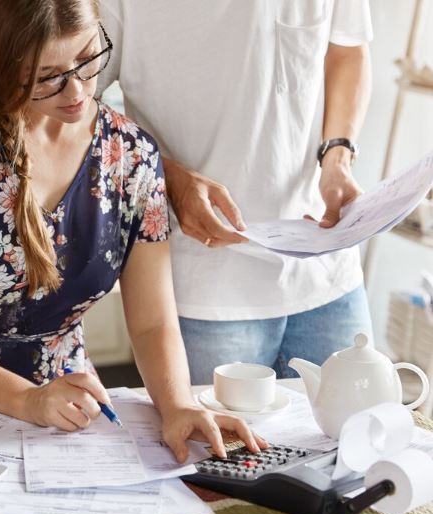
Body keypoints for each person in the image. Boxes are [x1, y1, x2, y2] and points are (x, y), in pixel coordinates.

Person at [0, 0, 266, 460]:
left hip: (68, 412)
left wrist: (177, 404)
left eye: (87, 58)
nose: (78, 90)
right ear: (3, 66)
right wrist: (27, 400)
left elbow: (153, 321)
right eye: (48, 76)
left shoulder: (132, 155)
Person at [97, 0, 375, 385]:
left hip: (327, 271)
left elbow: (347, 51)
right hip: (203, 285)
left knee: (358, 436)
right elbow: (69, 101)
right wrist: (169, 177)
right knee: (217, 446)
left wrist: (338, 155)